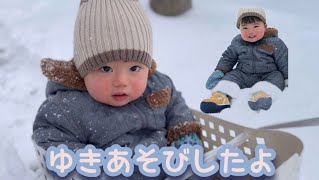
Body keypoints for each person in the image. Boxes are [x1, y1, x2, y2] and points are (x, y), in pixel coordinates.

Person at [32, 0, 201, 179]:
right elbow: (52, 142)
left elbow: (175, 105)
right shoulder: (67, 108)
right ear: (83, 70)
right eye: (105, 69)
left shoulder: (156, 84)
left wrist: (184, 135)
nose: (121, 81)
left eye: (134, 68)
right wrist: (93, 167)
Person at [200, 8, 288, 113]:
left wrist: (287, 78)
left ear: (265, 26)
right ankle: (220, 97)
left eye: (256, 26)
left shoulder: (274, 43)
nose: (251, 31)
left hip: (268, 74)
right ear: (239, 29)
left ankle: (261, 95)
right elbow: (228, 58)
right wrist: (220, 71)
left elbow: (284, 60)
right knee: (231, 77)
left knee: (277, 78)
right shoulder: (238, 42)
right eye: (245, 28)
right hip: (243, 74)